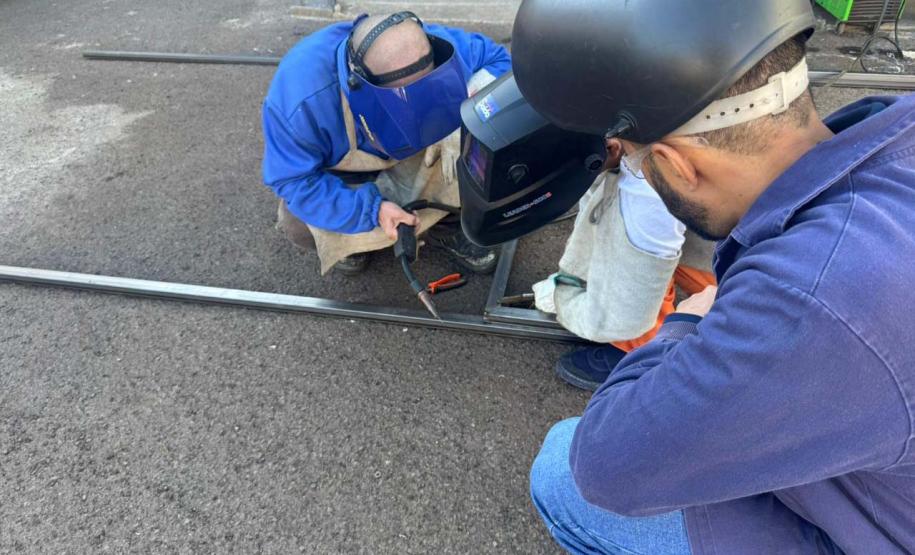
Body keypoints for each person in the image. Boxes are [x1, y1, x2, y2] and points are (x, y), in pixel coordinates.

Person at [510, 0, 915, 553]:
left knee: (562, 470)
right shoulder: (897, 135)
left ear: (680, 166)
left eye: (637, 163)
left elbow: (606, 468)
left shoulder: (810, 298)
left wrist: (685, 325)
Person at [262, 12, 510, 275]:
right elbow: (294, 181)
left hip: (420, 155)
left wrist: (467, 113)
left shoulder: (436, 49)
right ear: (356, 85)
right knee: (299, 223)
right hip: (348, 174)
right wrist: (371, 211)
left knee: (480, 145)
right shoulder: (298, 101)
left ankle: (445, 227)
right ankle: (356, 243)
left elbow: (499, 60)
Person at [532, 141, 716, 391]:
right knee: (714, 249)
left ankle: (637, 347)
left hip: (662, 166)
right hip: (719, 194)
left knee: (636, 233)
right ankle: (727, 299)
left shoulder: (650, 172)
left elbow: (649, 248)